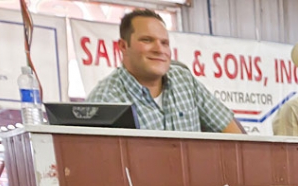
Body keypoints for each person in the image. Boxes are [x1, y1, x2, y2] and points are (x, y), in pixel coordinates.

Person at [87, 9, 241, 133]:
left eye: (164, 43)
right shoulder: (104, 100)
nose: (159, 49)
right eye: (147, 40)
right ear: (122, 46)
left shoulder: (183, 80)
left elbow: (233, 134)